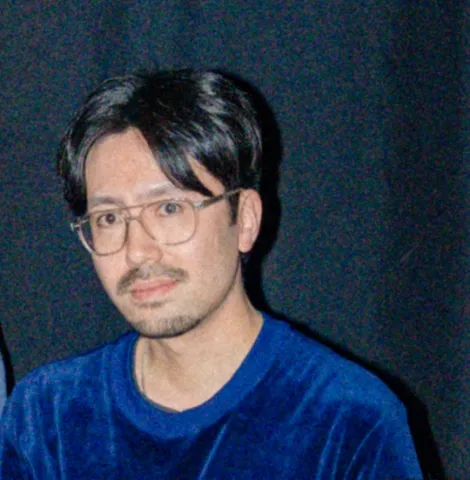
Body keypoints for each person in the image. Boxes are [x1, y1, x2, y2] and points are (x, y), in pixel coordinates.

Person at [0, 69, 423, 479]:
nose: (137, 250)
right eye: (109, 218)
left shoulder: (348, 422)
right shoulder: (47, 417)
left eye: (169, 208)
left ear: (246, 219)